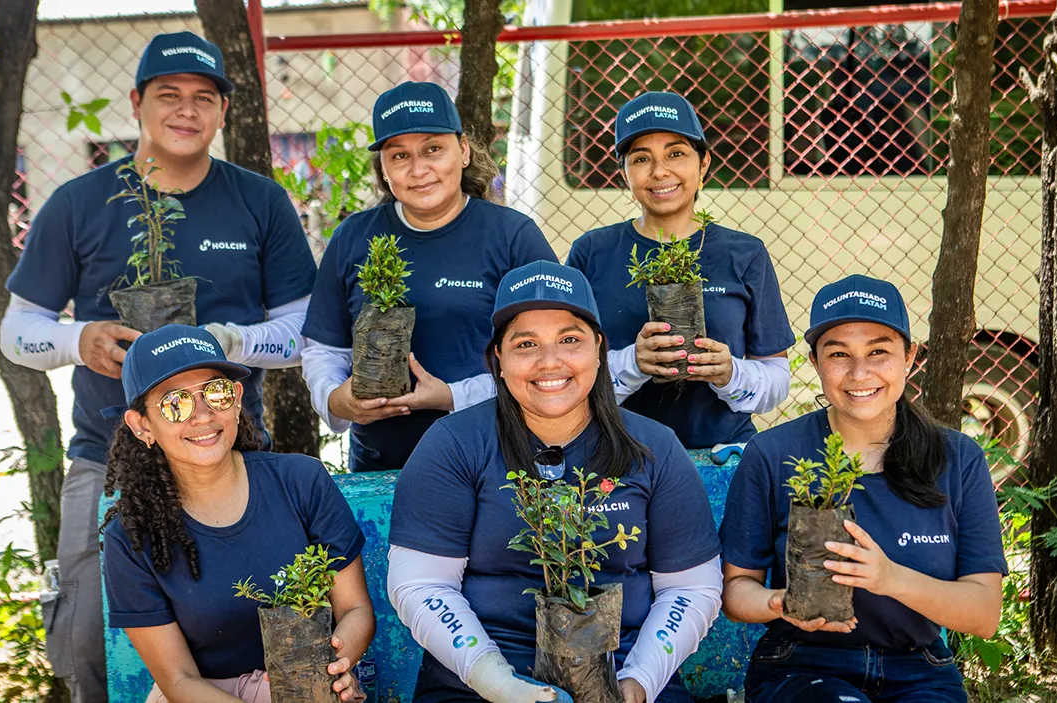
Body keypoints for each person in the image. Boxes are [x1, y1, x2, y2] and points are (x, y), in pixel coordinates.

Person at [0, 32, 318, 701]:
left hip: (231, 456)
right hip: (108, 455)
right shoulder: (80, 203)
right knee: (88, 638)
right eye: (169, 95)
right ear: (137, 102)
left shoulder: (259, 202)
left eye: (205, 98)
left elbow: (302, 333)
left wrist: (226, 343)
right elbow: (16, 331)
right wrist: (77, 340)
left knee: (254, 637)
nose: (187, 110)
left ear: (225, 112)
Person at [387, 260, 723, 703]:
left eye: (570, 340)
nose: (550, 362)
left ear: (599, 349)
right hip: (478, 681)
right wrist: (496, 681)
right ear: (499, 360)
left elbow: (691, 589)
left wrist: (639, 682)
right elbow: (421, 585)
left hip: (626, 671)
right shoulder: (453, 443)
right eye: (526, 344)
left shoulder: (654, 446)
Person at [719, 275, 1008, 703]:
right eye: (839, 354)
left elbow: (984, 615)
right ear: (816, 363)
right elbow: (737, 590)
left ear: (909, 358)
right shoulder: (772, 453)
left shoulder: (958, 458)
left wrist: (888, 577)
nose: (860, 373)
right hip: (802, 663)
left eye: (878, 352)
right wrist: (781, 601)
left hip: (919, 669)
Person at [101, 325, 374, 703]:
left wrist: (332, 667)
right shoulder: (130, 538)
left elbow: (356, 608)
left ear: (237, 399)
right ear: (142, 425)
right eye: (174, 403)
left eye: (216, 392)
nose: (202, 415)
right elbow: (179, 680)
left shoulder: (301, 480)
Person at [300, 81, 557, 473]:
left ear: (464, 151)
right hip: (383, 467)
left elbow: (551, 361)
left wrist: (451, 396)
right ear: (383, 169)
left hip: (497, 460)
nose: (418, 170)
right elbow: (323, 350)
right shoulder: (353, 237)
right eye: (399, 155)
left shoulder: (512, 236)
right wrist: (337, 401)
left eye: (433, 149)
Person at [565, 91, 794, 467]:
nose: (660, 172)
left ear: (703, 164)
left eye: (676, 153)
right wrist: (632, 364)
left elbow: (776, 379)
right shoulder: (592, 253)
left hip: (722, 456)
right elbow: (566, 371)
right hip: (617, 457)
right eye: (641, 159)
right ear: (624, 172)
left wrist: (730, 373)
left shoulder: (744, 254)